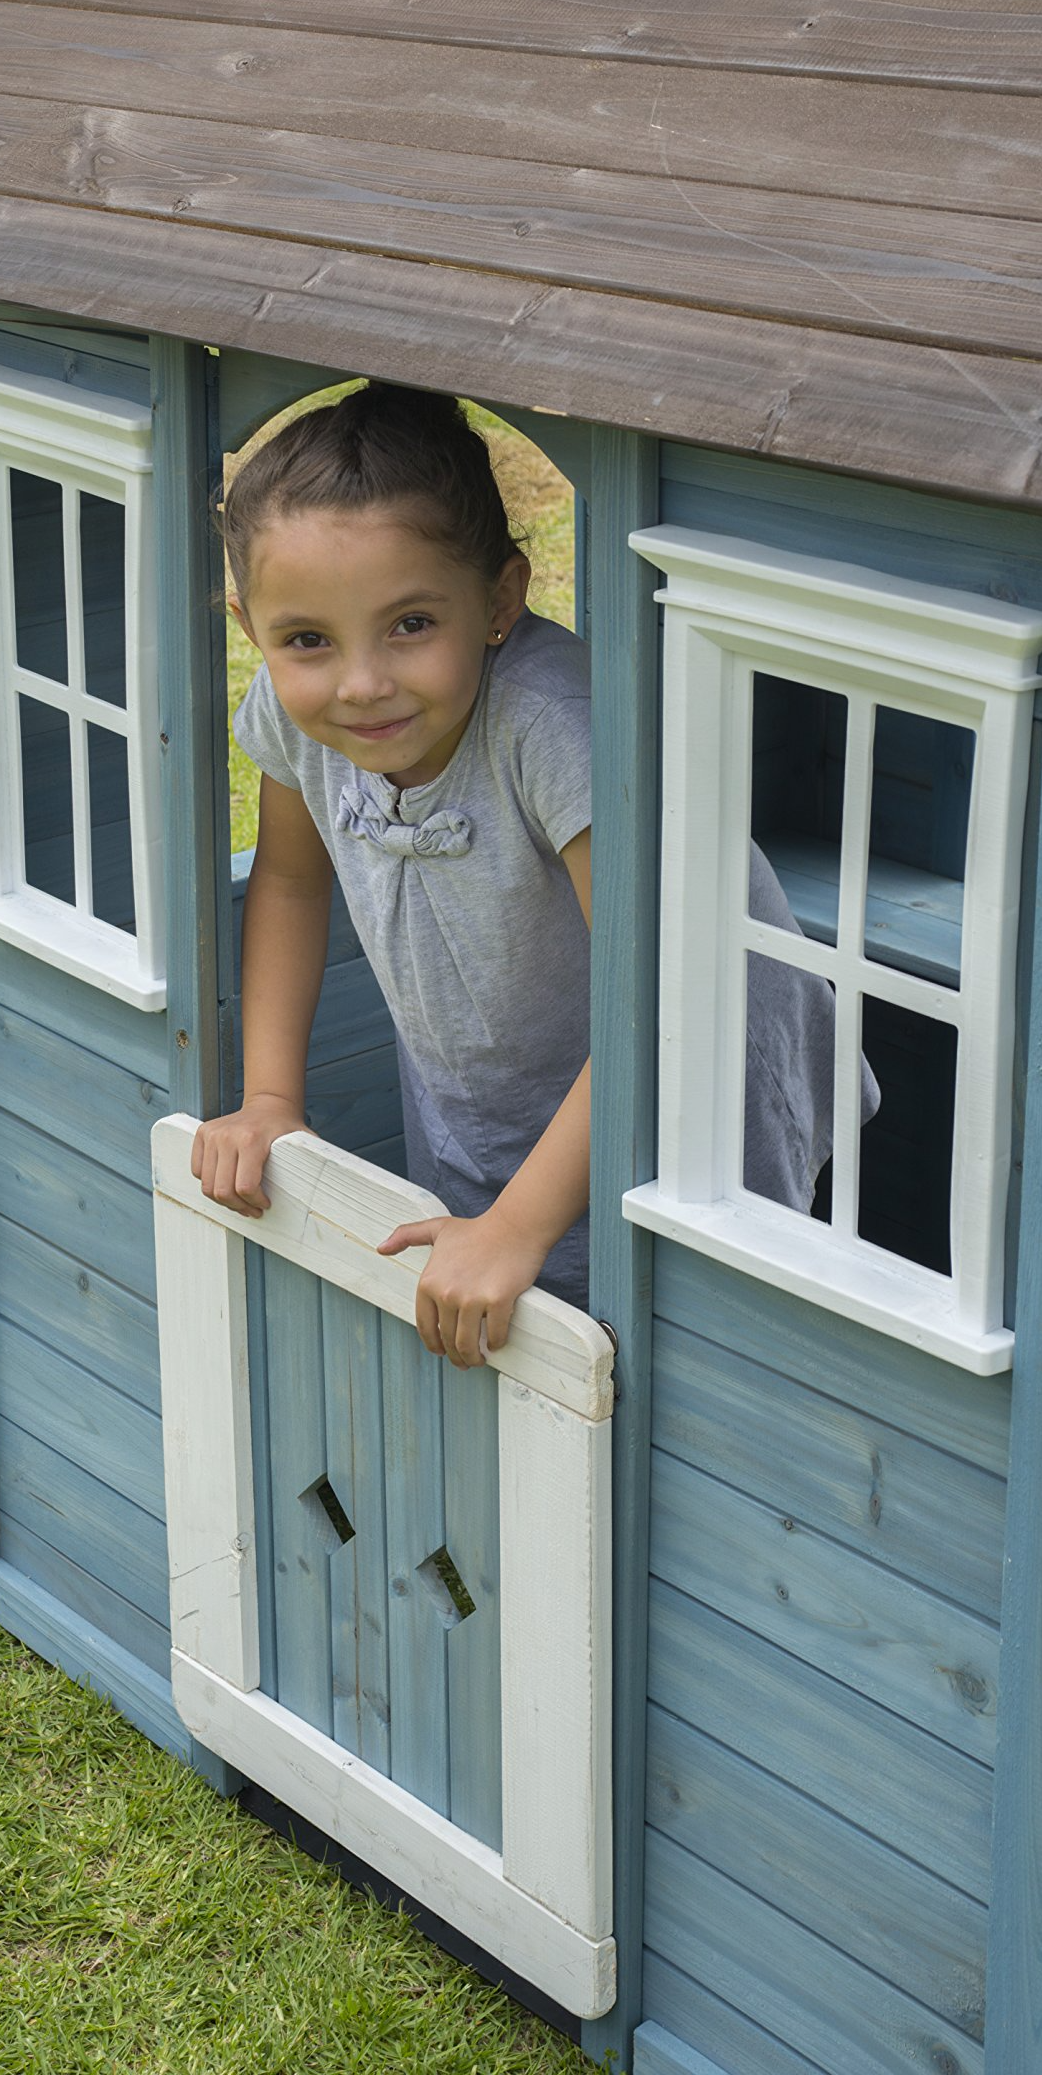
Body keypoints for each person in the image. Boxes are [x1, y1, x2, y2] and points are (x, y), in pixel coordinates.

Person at [190, 381, 852, 1370]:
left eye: (410, 623)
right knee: (519, 1336)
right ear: (251, 625)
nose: (361, 681)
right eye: (307, 640)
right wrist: (270, 1097)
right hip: (508, 1087)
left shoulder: (554, 729)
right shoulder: (294, 712)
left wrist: (516, 1224)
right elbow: (289, 881)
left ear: (499, 600)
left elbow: (664, 991)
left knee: (683, 1353)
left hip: (699, 1066)